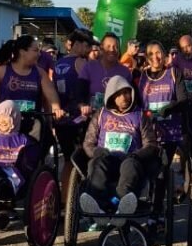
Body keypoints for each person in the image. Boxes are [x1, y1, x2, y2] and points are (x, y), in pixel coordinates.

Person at [79, 76, 159, 216]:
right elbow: (88, 143)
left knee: (129, 164)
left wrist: (136, 155)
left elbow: (151, 144)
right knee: (97, 162)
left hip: (131, 160)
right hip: (106, 159)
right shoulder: (101, 114)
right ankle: (98, 206)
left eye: (126, 92)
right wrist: (97, 151)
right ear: (111, 96)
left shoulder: (140, 115)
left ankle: (122, 204)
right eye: (119, 94)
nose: (124, 97)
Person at [137, 42, 191, 215]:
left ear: (165, 54)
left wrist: (169, 108)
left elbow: (184, 101)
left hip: (169, 132)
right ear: (146, 57)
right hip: (147, 132)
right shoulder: (141, 76)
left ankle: (157, 212)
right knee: (146, 168)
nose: (155, 57)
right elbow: (135, 103)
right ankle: (146, 202)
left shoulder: (174, 73)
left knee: (162, 168)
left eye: (158, 53)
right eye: (151, 54)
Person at [0, 35, 64, 121]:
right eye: (35, 50)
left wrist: (56, 108)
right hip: (6, 124)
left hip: (33, 124)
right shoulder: (2, 71)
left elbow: (51, 94)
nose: (39, 54)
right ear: (22, 52)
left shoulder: (40, 73)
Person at [54, 28, 93, 201]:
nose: (89, 50)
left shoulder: (58, 63)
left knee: (68, 161)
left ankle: (65, 199)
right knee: (83, 160)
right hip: (79, 118)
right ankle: (80, 198)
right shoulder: (81, 63)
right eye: (87, 46)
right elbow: (90, 89)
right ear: (77, 44)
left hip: (61, 119)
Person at [79, 32, 132, 108]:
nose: (112, 50)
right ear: (101, 48)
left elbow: (130, 98)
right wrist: (83, 106)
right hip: (92, 112)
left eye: (115, 47)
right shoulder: (89, 67)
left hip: (115, 113)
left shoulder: (125, 72)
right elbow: (80, 93)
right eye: (108, 46)